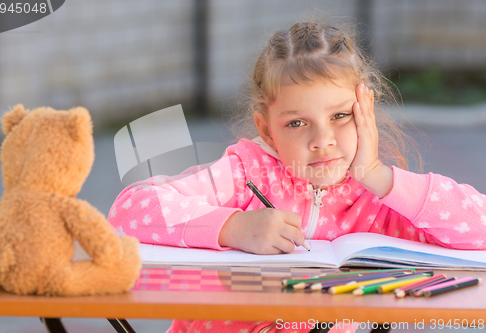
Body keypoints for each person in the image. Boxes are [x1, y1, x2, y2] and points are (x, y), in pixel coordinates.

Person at [108, 19, 486, 333]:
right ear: (267, 129)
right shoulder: (243, 174)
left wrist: (379, 177)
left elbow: (479, 228)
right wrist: (232, 227)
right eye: (297, 123)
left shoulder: (378, 199)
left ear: (365, 113)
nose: (322, 140)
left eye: (340, 116)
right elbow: (129, 211)